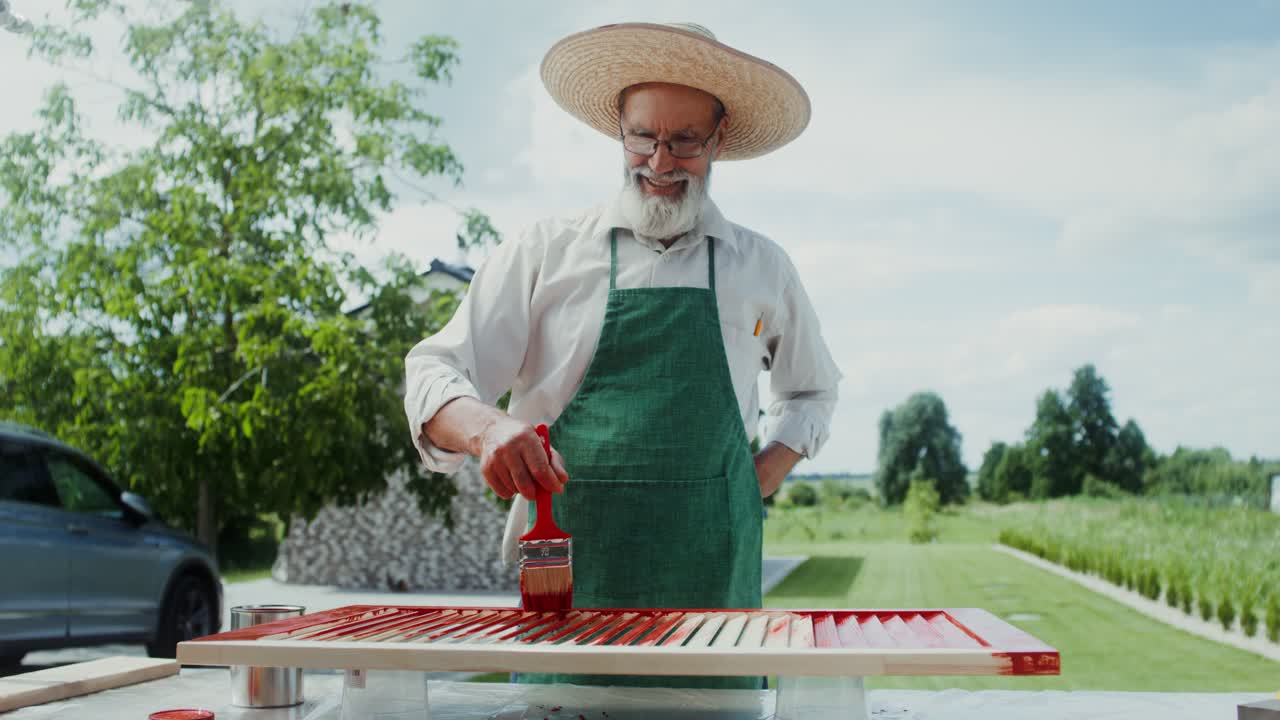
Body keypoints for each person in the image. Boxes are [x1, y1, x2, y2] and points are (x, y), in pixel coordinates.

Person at [404, 22, 841, 689]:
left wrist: (759, 477)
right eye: (644, 136)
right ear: (620, 131)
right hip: (570, 610)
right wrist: (487, 429)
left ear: (719, 138)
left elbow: (812, 391)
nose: (660, 163)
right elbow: (433, 372)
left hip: (716, 609)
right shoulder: (545, 253)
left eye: (685, 141)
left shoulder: (762, 267)